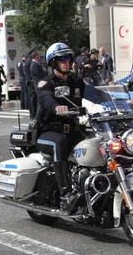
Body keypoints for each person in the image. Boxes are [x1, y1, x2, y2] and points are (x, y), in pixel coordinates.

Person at [35, 43, 109, 211]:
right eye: (61, 59)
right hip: (49, 132)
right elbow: (46, 99)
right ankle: (66, 194)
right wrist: (56, 107)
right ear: (53, 62)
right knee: (59, 143)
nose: (66, 62)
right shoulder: (46, 83)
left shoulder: (75, 80)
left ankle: (94, 186)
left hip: (73, 130)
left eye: (68, 58)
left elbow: (95, 94)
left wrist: (121, 101)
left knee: (97, 143)